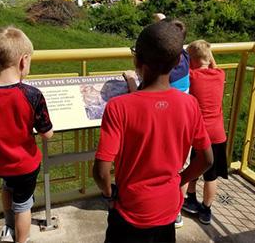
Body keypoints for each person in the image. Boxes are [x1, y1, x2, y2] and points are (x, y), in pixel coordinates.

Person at [93, 21, 213, 243]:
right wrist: (180, 180)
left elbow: (100, 172)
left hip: (129, 210)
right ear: (178, 61)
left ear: (137, 60)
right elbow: (206, 159)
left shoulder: (119, 107)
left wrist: (111, 195)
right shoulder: (190, 104)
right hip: (168, 210)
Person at [0, 26, 53, 243]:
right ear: (24, 61)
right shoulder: (32, 95)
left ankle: (7, 227)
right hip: (25, 165)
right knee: (23, 205)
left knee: (7, 186)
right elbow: (47, 134)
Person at [123, 16, 190, 228]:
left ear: (139, 61)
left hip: (136, 207)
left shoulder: (124, 105)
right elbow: (206, 159)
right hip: (178, 136)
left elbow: (141, 95)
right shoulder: (182, 60)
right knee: (180, 168)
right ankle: (177, 211)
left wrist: (131, 80)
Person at [183, 40, 228, 225]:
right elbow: (212, 65)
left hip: (198, 135)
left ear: (191, 62)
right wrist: (208, 53)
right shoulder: (219, 74)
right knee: (211, 175)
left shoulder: (192, 76)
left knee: (193, 167)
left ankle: (190, 198)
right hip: (217, 135)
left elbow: (185, 68)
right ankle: (206, 210)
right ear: (209, 59)